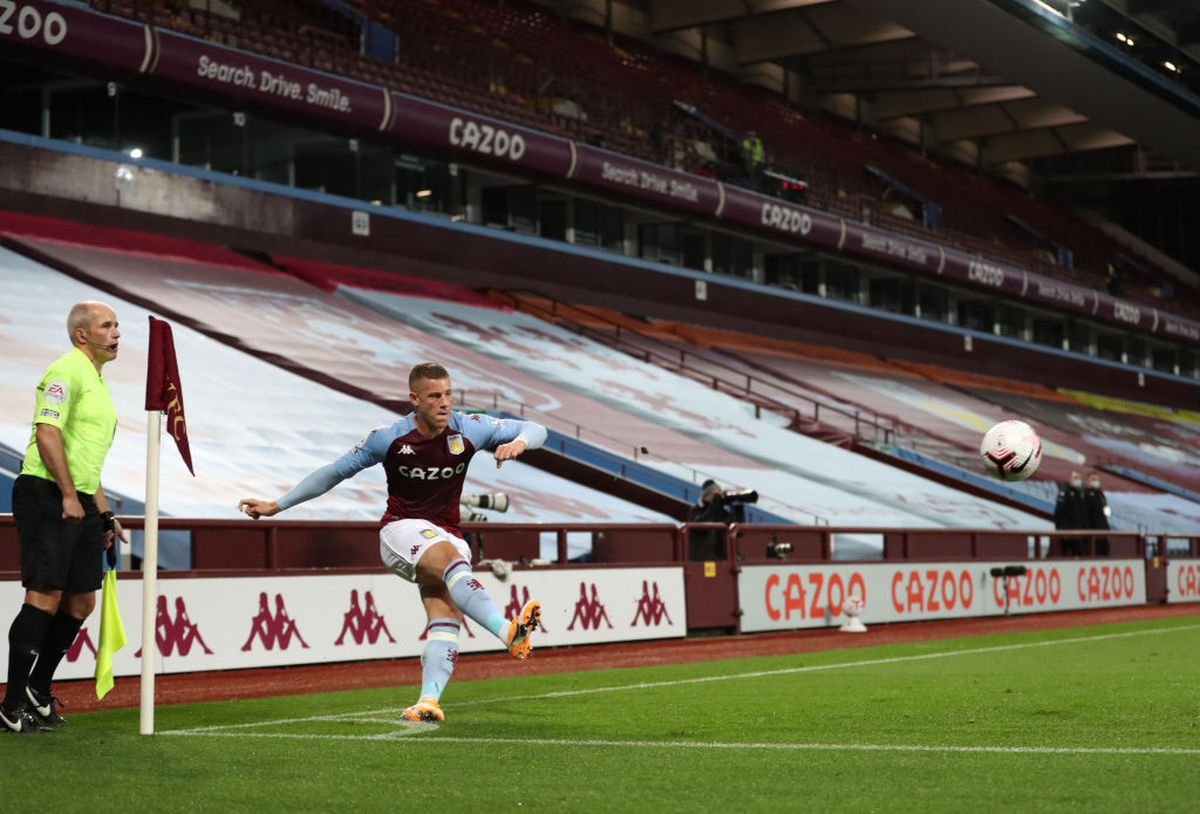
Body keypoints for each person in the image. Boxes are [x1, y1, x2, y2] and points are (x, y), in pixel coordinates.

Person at [237, 362, 546, 723]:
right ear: (414, 399)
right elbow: (334, 472)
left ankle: (428, 702)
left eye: (448, 394)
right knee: (450, 561)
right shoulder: (389, 438)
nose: (444, 403)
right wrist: (277, 505)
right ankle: (508, 632)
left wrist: (519, 443)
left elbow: (536, 428)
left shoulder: (470, 428)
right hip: (402, 529)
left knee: (446, 616)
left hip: (447, 532)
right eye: (434, 396)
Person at [3, 301, 127, 733]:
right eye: (107, 326)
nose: (116, 333)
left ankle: (37, 690)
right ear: (81, 335)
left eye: (117, 326)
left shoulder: (98, 382)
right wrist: (69, 496)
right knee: (45, 595)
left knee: (81, 600)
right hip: (46, 492)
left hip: (78, 498)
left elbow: (88, 459)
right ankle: (11, 703)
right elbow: (47, 432)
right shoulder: (64, 372)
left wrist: (105, 513)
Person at [685, 479, 735, 560]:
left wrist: (737, 507)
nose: (720, 496)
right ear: (706, 495)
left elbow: (738, 531)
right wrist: (714, 504)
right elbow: (701, 526)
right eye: (717, 493)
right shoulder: (695, 511)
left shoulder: (722, 512)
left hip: (722, 559)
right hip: (701, 560)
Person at [1053, 469, 1087, 557]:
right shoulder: (1064, 492)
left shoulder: (1080, 494)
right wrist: (1059, 529)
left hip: (1079, 532)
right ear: (1070, 479)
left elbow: (1083, 514)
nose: (1078, 480)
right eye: (1076, 478)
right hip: (1067, 532)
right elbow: (1058, 512)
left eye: (1079, 478)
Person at [1082, 471, 1111, 556]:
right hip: (1092, 532)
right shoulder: (1085, 495)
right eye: (1093, 479)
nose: (1096, 481)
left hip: (1103, 530)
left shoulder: (1100, 494)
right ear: (1088, 481)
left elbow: (1106, 512)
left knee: (1105, 552)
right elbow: (1085, 515)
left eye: (1097, 479)